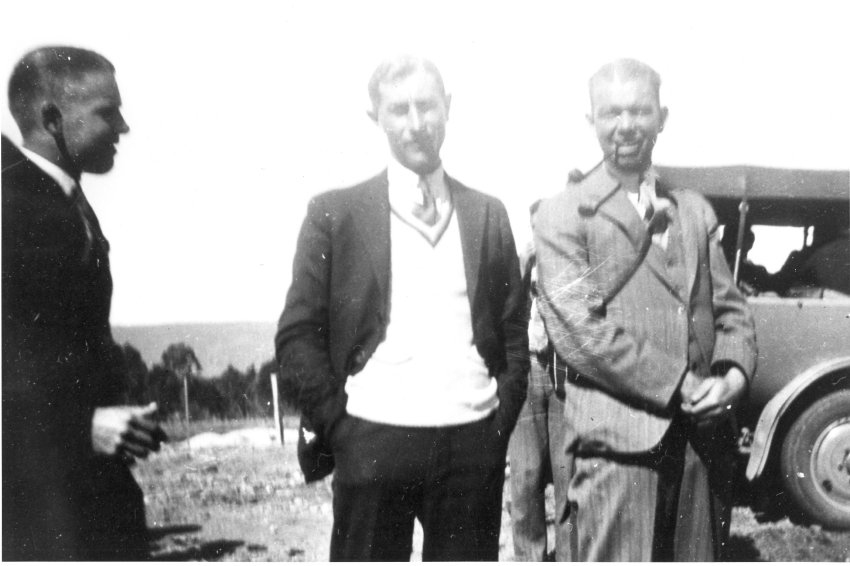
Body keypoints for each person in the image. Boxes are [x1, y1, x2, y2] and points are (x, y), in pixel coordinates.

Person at [275, 55, 528, 561]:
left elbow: (513, 331)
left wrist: (496, 426)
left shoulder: (486, 213)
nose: (416, 124)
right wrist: (341, 428)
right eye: (399, 109)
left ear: (448, 108)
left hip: (470, 442)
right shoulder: (335, 215)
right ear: (376, 117)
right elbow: (297, 333)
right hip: (372, 439)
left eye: (428, 106)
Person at [533, 58, 757, 561]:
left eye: (639, 111)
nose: (626, 125)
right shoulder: (564, 213)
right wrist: (682, 383)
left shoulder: (694, 210)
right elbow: (582, 335)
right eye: (611, 113)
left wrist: (734, 378)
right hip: (618, 450)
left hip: (703, 445)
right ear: (591, 122)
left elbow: (732, 312)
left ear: (663, 117)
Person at [2, 46, 165, 560]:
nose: (123, 127)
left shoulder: (60, 198)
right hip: (33, 508)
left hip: (84, 494)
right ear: (53, 118)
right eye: (106, 111)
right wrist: (81, 427)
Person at [507, 202, 573, 561]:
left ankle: (568, 556)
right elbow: (501, 302)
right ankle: (529, 556)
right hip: (528, 371)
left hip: (563, 375)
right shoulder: (519, 263)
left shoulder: (570, 262)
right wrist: (523, 259)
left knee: (567, 475)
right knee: (526, 475)